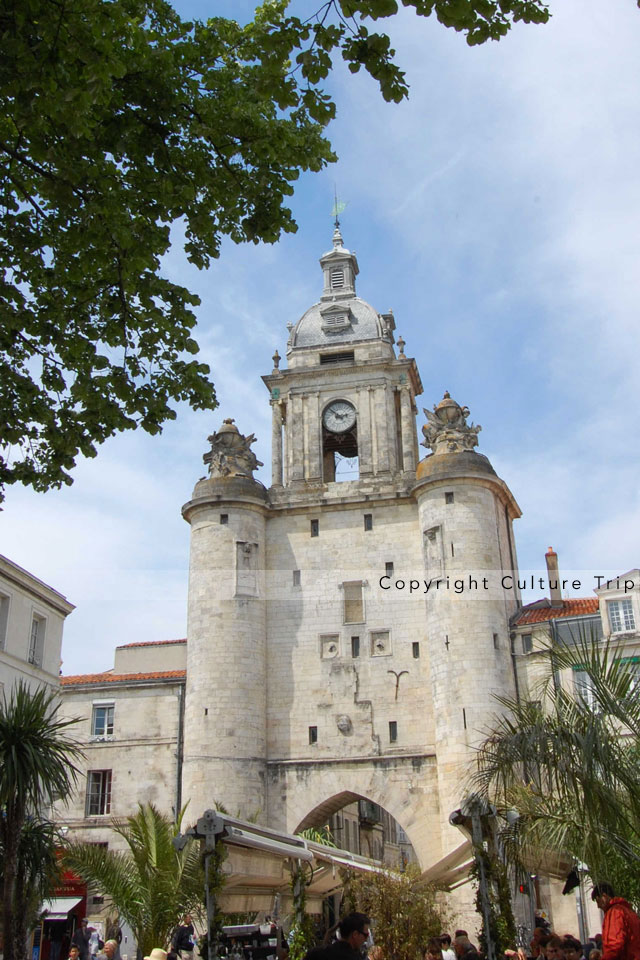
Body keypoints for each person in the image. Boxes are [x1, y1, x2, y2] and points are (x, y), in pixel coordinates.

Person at [592, 883, 640, 960]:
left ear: (604, 897)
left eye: (598, 901)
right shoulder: (628, 911)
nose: (598, 906)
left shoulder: (614, 913)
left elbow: (615, 945)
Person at [303, 914, 371, 960]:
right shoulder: (354, 958)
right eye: (366, 935)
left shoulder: (315, 954)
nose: (366, 939)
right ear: (355, 934)